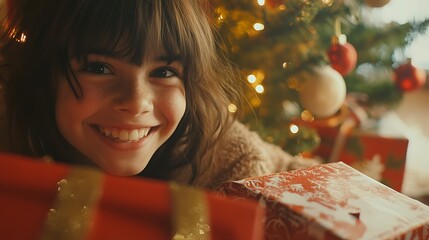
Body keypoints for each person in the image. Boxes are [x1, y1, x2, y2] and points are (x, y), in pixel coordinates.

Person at [0, 0, 317, 190]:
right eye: (98, 68)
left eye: (164, 73)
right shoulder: (12, 129)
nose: (137, 102)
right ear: (44, 76)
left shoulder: (233, 167)